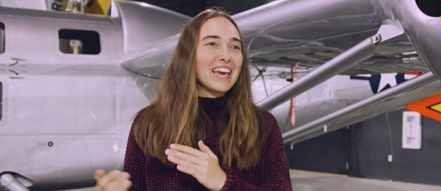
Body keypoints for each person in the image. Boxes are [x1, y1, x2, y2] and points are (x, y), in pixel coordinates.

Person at [94, 7, 292, 191]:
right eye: (212, 44)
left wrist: (223, 182)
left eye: (235, 47)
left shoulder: (263, 125)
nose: (225, 55)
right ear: (188, 55)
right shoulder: (149, 123)